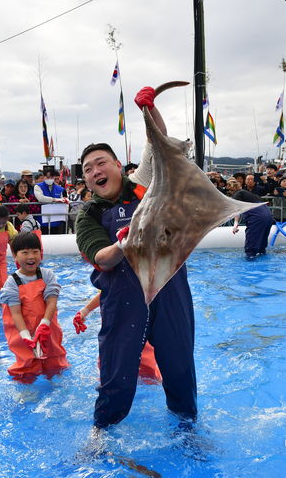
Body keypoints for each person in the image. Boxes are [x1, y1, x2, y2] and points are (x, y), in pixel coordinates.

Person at [75, 134, 197, 427]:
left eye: (100, 163)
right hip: (123, 298)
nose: (95, 171)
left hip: (169, 290)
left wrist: (150, 109)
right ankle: (102, 433)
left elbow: (158, 145)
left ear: (118, 165)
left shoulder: (143, 184)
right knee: (115, 374)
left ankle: (188, 429)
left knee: (180, 369)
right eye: (88, 170)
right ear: (87, 182)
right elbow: (101, 258)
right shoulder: (88, 214)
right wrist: (122, 244)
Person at [0, 232, 68, 381]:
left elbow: (52, 301)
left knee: (55, 364)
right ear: (15, 255)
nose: (31, 256)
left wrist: (45, 324)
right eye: (25, 252)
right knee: (27, 368)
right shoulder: (12, 282)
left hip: (48, 329)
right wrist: (25, 336)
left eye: (35, 252)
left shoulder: (47, 275)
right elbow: (15, 313)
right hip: (24, 332)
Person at [73, 292, 161, 382]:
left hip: (132, 343)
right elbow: (106, 290)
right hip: (118, 342)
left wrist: (86, 310)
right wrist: (85, 310)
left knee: (148, 375)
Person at [231, 190, 274, 259]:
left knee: (251, 248)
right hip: (268, 215)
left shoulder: (238, 194)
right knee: (262, 246)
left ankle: (250, 259)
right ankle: (261, 254)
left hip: (257, 216)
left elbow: (236, 210)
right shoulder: (254, 197)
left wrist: (235, 225)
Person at [34, 169, 69, 235]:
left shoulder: (61, 189)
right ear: (44, 177)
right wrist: (54, 199)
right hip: (42, 221)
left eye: (51, 177)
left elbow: (65, 202)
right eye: (47, 177)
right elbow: (41, 198)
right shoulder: (38, 186)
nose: (49, 179)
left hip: (58, 221)